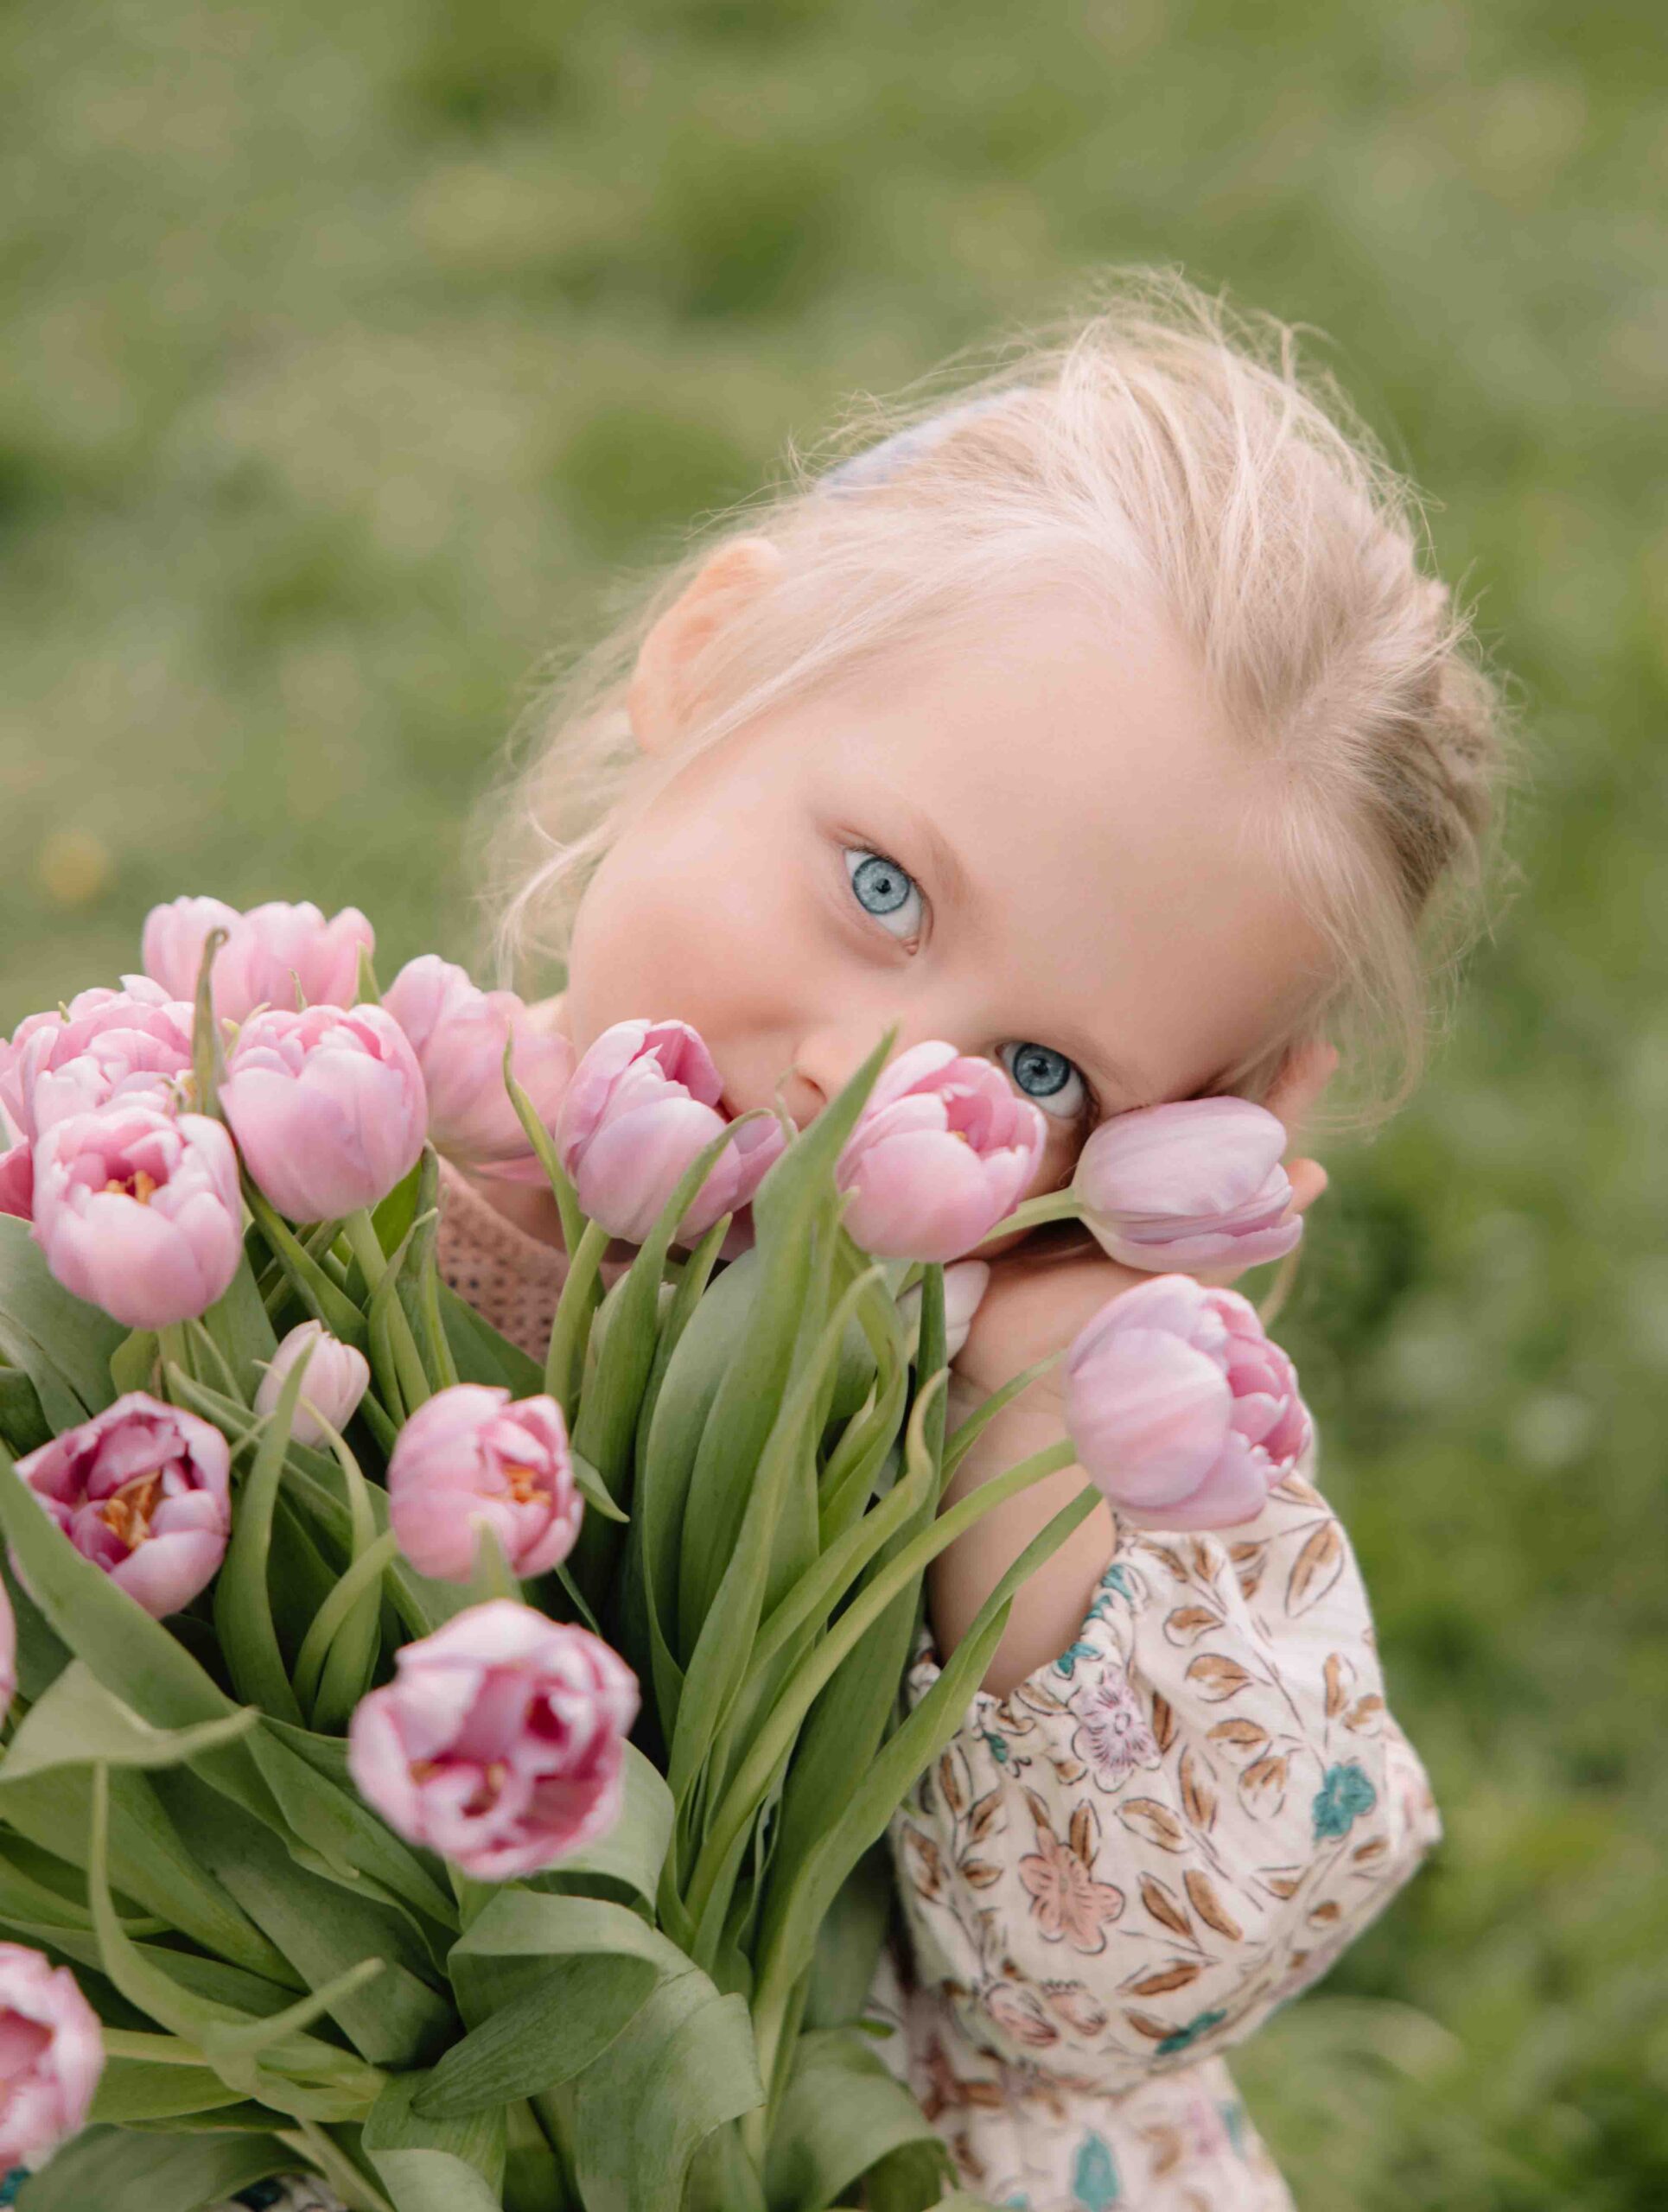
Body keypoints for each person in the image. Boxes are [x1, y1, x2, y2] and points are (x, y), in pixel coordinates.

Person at [242, 270, 1509, 2212]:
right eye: (879, 886)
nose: (860, 1083)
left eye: (1038, 1061)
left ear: (1202, 1114)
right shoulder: (301, 1183)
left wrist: (1038, 1408)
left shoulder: (1068, 1426)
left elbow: (1117, 1991)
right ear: (708, 654)